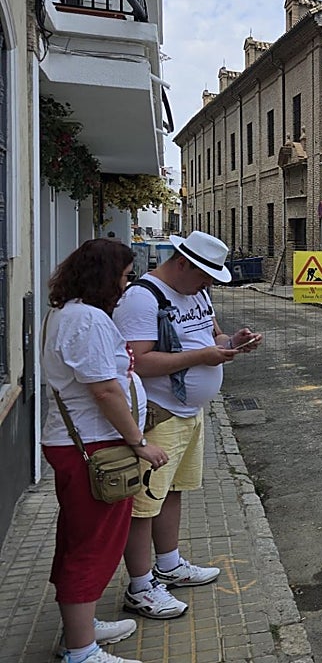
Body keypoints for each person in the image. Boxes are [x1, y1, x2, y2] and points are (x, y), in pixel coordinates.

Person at [114, 231, 262, 619]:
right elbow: (138, 362)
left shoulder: (197, 292)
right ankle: (140, 586)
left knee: (174, 491)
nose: (209, 284)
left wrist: (233, 341)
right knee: (143, 506)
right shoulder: (142, 298)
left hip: (189, 414)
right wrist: (202, 358)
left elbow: (212, 337)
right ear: (182, 263)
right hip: (159, 416)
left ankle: (170, 564)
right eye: (204, 275)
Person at [42, 239, 170, 663]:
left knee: (83, 539)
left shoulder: (70, 314)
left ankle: (82, 626)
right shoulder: (88, 321)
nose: (126, 284)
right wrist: (140, 442)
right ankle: (81, 650)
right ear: (104, 277)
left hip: (84, 444)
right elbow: (105, 390)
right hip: (93, 449)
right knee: (92, 545)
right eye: (124, 275)